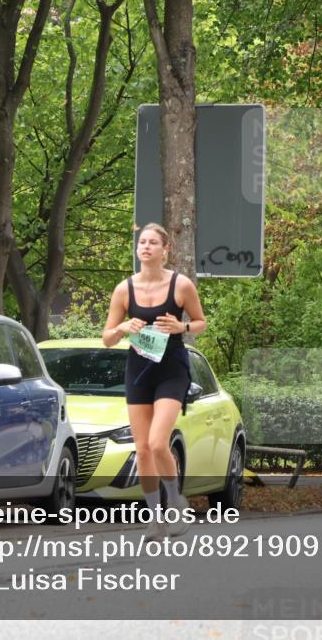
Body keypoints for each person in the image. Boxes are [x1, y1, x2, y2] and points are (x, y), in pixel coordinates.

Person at [102, 223, 207, 539]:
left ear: (165, 249)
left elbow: (201, 322)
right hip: (139, 370)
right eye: (142, 242)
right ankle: (155, 519)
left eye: (152, 242)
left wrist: (182, 328)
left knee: (158, 442)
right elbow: (107, 337)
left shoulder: (180, 285)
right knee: (143, 449)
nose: (145, 247)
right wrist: (123, 328)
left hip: (171, 369)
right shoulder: (124, 289)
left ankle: (175, 502)